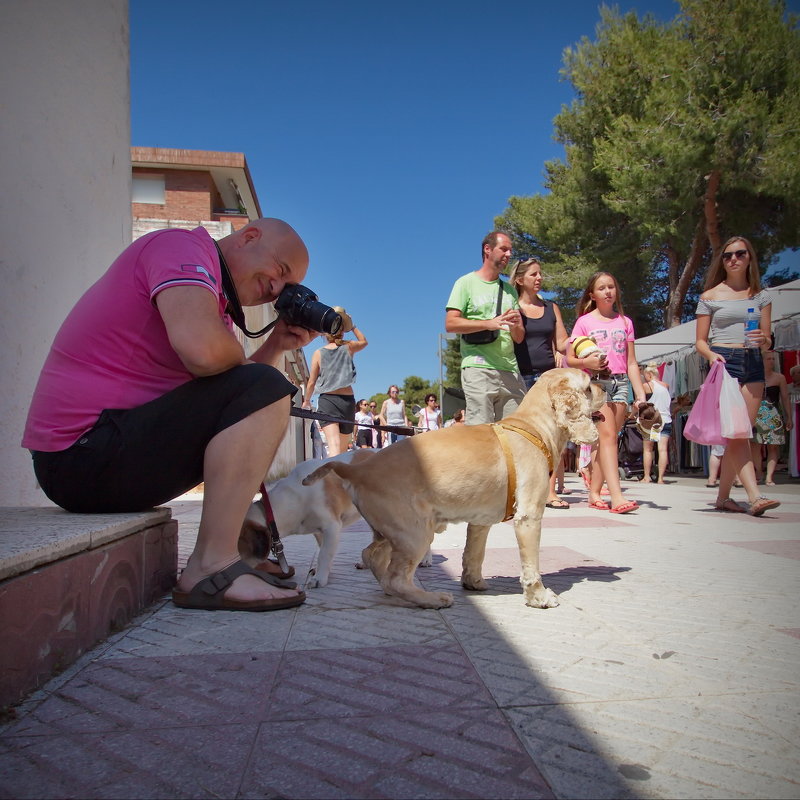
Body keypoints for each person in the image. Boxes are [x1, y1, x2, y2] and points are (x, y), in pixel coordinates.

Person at [22, 218, 313, 611]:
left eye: (286, 286)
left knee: (264, 386)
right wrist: (239, 360)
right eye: (280, 271)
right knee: (265, 387)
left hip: (101, 454)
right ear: (249, 236)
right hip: (80, 456)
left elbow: (234, 396)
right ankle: (211, 566)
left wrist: (275, 344)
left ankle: (228, 555)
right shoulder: (180, 249)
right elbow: (207, 354)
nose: (277, 290)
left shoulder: (213, 302)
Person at [695, 235, 779, 516]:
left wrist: (764, 341)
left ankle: (722, 498)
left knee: (740, 434)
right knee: (738, 433)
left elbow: (768, 339)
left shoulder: (761, 295)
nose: (733, 259)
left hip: (753, 360)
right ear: (722, 260)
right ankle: (755, 496)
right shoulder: (710, 296)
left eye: (740, 254)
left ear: (749, 258)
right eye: (728, 255)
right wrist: (710, 356)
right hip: (724, 361)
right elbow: (700, 341)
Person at [567, 271, 646, 514]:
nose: (608, 291)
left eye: (611, 286)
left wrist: (640, 393)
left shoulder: (625, 322)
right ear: (592, 294)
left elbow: (631, 361)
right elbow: (570, 359)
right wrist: (587, 364)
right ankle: (617, 496)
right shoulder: (584, 322)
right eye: (602, 288)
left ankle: (593, 492)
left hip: (622, 383)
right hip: (597, 384)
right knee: (609, 437)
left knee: (606, 442)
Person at [445, 231, 526, 424]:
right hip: (478, 368)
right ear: (487, 250)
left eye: (510, 251)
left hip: (510, 371)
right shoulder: (465, 283)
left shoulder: (510, 291)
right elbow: (451, 323)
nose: (508, 255)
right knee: (480, 435)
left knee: (514, 433)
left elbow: (519, 337)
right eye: (504, 249)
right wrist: (488, 324)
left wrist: (515, 325)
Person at [510, 257, 571, 508]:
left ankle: (549, 493)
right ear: (519, 280)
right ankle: (518, 491)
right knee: (522, 436)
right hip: (519, 377)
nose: (539, 278)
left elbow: (563, 343)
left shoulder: (551, 307)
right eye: (533, 274)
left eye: (540, 274)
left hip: (548, 378)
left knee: (551, 435)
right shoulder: (512, 307)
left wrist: (583, 341)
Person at [302, 314, 367, 456]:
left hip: (329, 402)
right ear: (343, 331)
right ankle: (331, 478)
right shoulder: (348, 347)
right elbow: (363, 341)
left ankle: (332, 476)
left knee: (337, 448)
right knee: (339, 449)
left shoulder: (318, 353)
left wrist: (307, 401)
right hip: (346, 402)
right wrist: (353, 326)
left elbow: (311, 381)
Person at [751, 349, 792, 485]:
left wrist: (789, 417)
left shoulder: (779, 377)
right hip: (757, 414)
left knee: (773, 447)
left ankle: (769, 476)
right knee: (756, 445)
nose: (772, 361)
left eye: (773, 359)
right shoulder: (754, 376)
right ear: (761, 361)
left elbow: (785, 398)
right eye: (768, 359)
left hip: (774, 414)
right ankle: (759, 472)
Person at [641, 363, 673, 484]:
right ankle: (660, 478)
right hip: (666, 419)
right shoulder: (666, 386)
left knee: (648, 449)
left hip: (653, 421)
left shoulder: (647, 386)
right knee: (663, 450)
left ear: (649, 375)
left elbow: (642, 402)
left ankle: (647, 476)